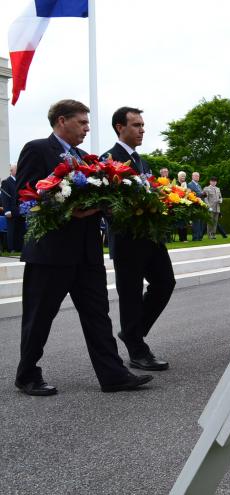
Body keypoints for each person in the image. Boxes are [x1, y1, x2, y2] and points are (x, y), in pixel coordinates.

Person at [14, 99, 152, 395]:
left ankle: (113, 375)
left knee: (98, 315)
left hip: (87, 253)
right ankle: (27, 374)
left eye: (88, 123)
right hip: (50, 253)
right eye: (82, 123)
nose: (87, 129)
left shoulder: (86, 159)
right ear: (62, 121)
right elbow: (25, 197)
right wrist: (66, 209)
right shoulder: (37, 149)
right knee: (39, 316)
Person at [103, 106, 175, 371]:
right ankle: (137, 351)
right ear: (120, 127)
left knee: (166, 283)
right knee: (130, 295)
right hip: (127, 239)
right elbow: (107, 204)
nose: (142, 130)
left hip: (151, 237)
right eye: (136, 125)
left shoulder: (141, 162)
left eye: (143, 125)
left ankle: (133, 331)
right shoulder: (108, 159)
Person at [1, 164, 25, 252]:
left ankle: (20, 247)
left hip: (21, 209)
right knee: (12, 229)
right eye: (16, 170)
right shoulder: (6, 182)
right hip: (11, 210)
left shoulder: (20, 180)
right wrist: (7, 210)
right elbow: (5, 197)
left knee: (20, 228)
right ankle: (11, 248)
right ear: (11, 171)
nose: (18, 171)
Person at [188, 172, 205, 241]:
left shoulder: (199, 185)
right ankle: (195, 237)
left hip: (200, 205)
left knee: (200, 222)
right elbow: (192, 194)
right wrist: (201, 194)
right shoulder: (190, 184)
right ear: (192, 177)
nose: (197, 177)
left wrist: (204, 194)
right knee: (196, 222)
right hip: (194, 205)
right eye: (196, 176)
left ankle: (199, 236)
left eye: (198, 176)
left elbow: (200, 194)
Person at [176, 171, 189, 242]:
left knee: (185, 222)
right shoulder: (176, 183)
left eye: (184, 176)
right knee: (180, 222)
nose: (183, 177)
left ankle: (185, 238)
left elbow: (187, 192)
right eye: (182, 176)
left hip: (185, 203)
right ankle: (181, 238)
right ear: (179, 177)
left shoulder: (185, 183)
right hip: (178, 203)